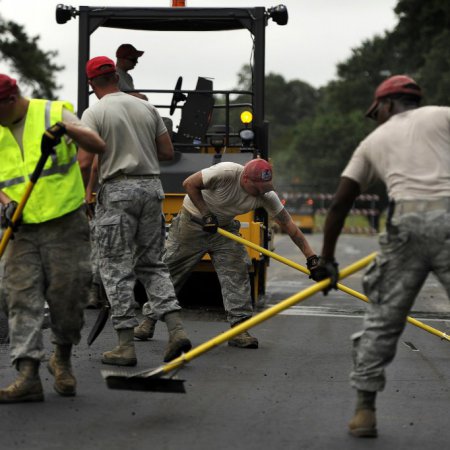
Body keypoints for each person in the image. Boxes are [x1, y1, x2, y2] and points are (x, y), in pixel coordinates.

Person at [311, 75, 450, 437]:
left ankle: (365, 411)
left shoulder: (373, 141)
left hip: (405, 226)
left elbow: (340, 203)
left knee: (383, 321)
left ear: (386, 105)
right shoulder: (444, 117)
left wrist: (327, 261)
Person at [78, 56, 191, 366]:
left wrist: (85, 193)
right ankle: (177, 330)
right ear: (116, 76)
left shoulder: (95, 112)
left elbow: (86, 161)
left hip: (117, 193)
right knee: (153, 264)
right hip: (151, 189)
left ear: (92, 84)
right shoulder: (146, 108)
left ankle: (125, 347)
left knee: (115, 267)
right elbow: (167, 152)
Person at [134, 159, 320, 348]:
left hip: (224, 228)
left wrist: (311, 258)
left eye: (266, 187)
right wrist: (206, 213)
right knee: (170, 272)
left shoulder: (266, 195)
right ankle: (148, 321)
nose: (262, 192)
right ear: (245, 179)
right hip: (192, 225)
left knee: (237, 272)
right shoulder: (226, 173)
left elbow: (289, 226)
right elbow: (189, 183)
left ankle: (239, 330)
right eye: (258, 188)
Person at [0, 74, 106, 403]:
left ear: (11, 100)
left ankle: (61, 359)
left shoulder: (52, 112)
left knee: (68, 295)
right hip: (21, 228)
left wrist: (66, 130)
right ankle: (28, 375)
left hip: (65, 223)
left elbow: (97, 145)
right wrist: (5, 204)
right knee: (20, 297)